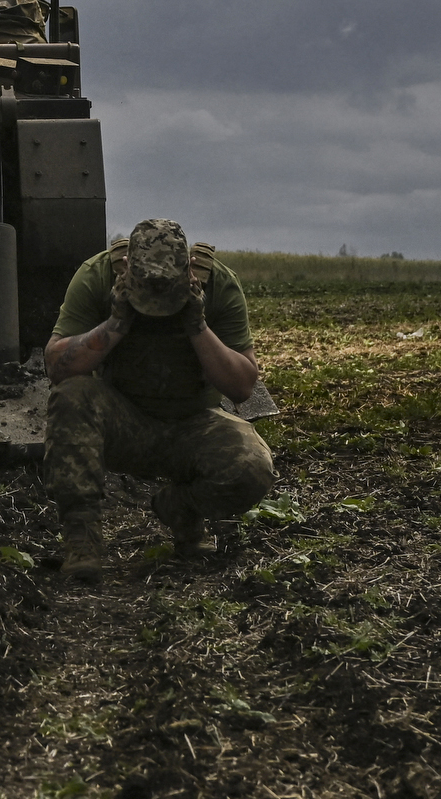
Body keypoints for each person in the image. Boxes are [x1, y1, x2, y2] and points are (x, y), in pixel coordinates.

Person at [42, 217, 273, 582]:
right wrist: (117, 321)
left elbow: (242, 386)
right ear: (127, 268)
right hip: (123, 423)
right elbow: (56, 367)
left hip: (192, 424)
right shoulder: (98, 276)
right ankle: (81, 539)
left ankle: (180, 510)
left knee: (252, 467)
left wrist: (197, 325)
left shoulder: (219, 286)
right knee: (72, 396)